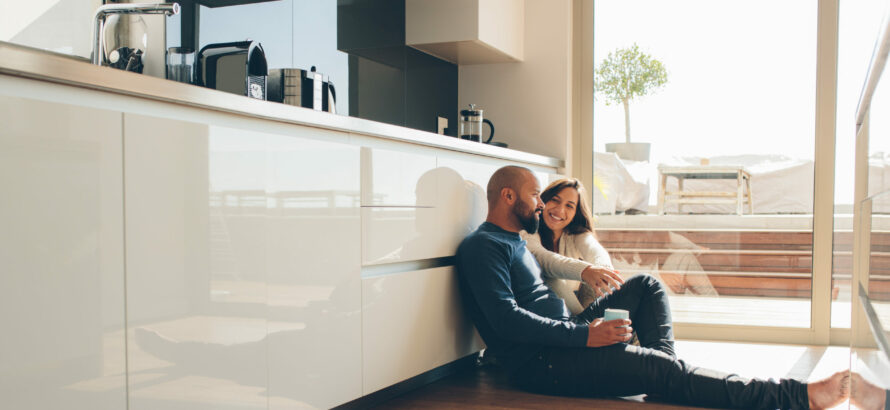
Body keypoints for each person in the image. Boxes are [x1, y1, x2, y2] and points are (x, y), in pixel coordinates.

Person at [455, 165, 848, 409]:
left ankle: (662, 375)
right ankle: (796, 397)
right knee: (656, 368)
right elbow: (506, 321)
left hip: (566, 338)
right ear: (508, 197)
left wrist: (584, 330)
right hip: (543, 363)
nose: (541, 205)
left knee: (646, 285)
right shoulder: (483, 246)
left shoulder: (517, 242)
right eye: (535, 196)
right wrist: (586, 339)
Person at [520, 178, 617, 314]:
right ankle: (585, 325)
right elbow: (544, 258)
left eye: (569, 206)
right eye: (555, 200)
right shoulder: (527, 232)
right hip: (545, 308)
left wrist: (604, 271)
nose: (560, 210)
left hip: (577, 303)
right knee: (550, 276)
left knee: (645, 282)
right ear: (543, 201)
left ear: (575, 213)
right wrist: (585, 271)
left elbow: (595, 250)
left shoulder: (575, 234)